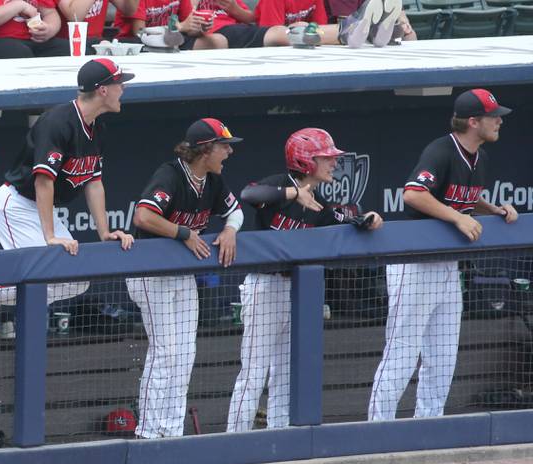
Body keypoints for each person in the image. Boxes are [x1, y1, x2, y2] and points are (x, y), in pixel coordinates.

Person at [0, 59, 136, 336]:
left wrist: (104, 232)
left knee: (75, 281)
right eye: (118, 83)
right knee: (36, 274)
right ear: (102, 90)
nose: (122, 88)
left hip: (39, 208)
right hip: (14, 205)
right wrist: (50, 236)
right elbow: (43, 181)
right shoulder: (57, 122)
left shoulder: (98, 128)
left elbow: (94, 182)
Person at [368, 89, 517, 422]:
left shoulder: (480, 157)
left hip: (447, 265)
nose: (499, 122)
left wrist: (492, 209)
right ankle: (377, 428)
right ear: (473, 121)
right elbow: (414, 194)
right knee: (403, 352)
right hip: (415, 262)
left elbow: (463, 198)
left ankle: (429, 425)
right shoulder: (441, 150)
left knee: (444, 354)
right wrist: (457, 217)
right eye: (493, 117)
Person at [226, 128, 383, 432]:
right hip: (265, 285)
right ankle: (235, 435)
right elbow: (249, 195)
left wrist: (370, 219)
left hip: (296, 289)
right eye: (326, 158)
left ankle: (279, 432)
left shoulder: (319, 202)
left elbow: (346, 221)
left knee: (286, 369)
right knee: (255, 369)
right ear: (306, 160)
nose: (333, 164)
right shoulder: (279, 185)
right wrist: (293, 193)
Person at [126, 118, 243, 439]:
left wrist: (231, 230)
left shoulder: (214, 180)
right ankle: (149, 432)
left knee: (185, 353)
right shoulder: (171, 174)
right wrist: (184, 232)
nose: (229, 153)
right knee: (165, 351)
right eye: (224, 146)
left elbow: (236, 211)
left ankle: (172, 431)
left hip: (181, 274)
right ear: (205, 150)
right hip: (149, 274)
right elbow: (143, 216)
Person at [253, 0, 403, 48]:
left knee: (307, 29)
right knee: (292, 31)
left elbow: (321, 27)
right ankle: (365, 30)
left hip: (308, 43)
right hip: (283, 44)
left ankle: (369, 31)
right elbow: (271, 33)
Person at [0, 0, 70, 59]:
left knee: (68, 49)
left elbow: (50, 13)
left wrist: (50, 28)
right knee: (16, 51)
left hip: (34, 41)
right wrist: (19, 5)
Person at [113, 0, 227, 49]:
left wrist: (199, 26)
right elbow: (139, 32)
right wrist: (179, 27)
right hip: (136, 44)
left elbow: (187, 26)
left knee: (218, 41)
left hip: (168, 40)